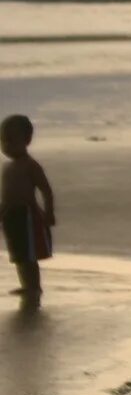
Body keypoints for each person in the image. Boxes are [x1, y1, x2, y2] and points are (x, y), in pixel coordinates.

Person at [2, 115, 55, 311]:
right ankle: (26, 285)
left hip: (27, 215)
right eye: (3, 141)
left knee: (29, 253)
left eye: (11, 140)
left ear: (26, 140)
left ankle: (34, 286)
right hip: (11, 215)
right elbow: (7, 195)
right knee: (18, 254)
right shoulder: (8, 168)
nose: (6, 145)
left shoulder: (30, 166)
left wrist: (49, 213)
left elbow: (46, 190)